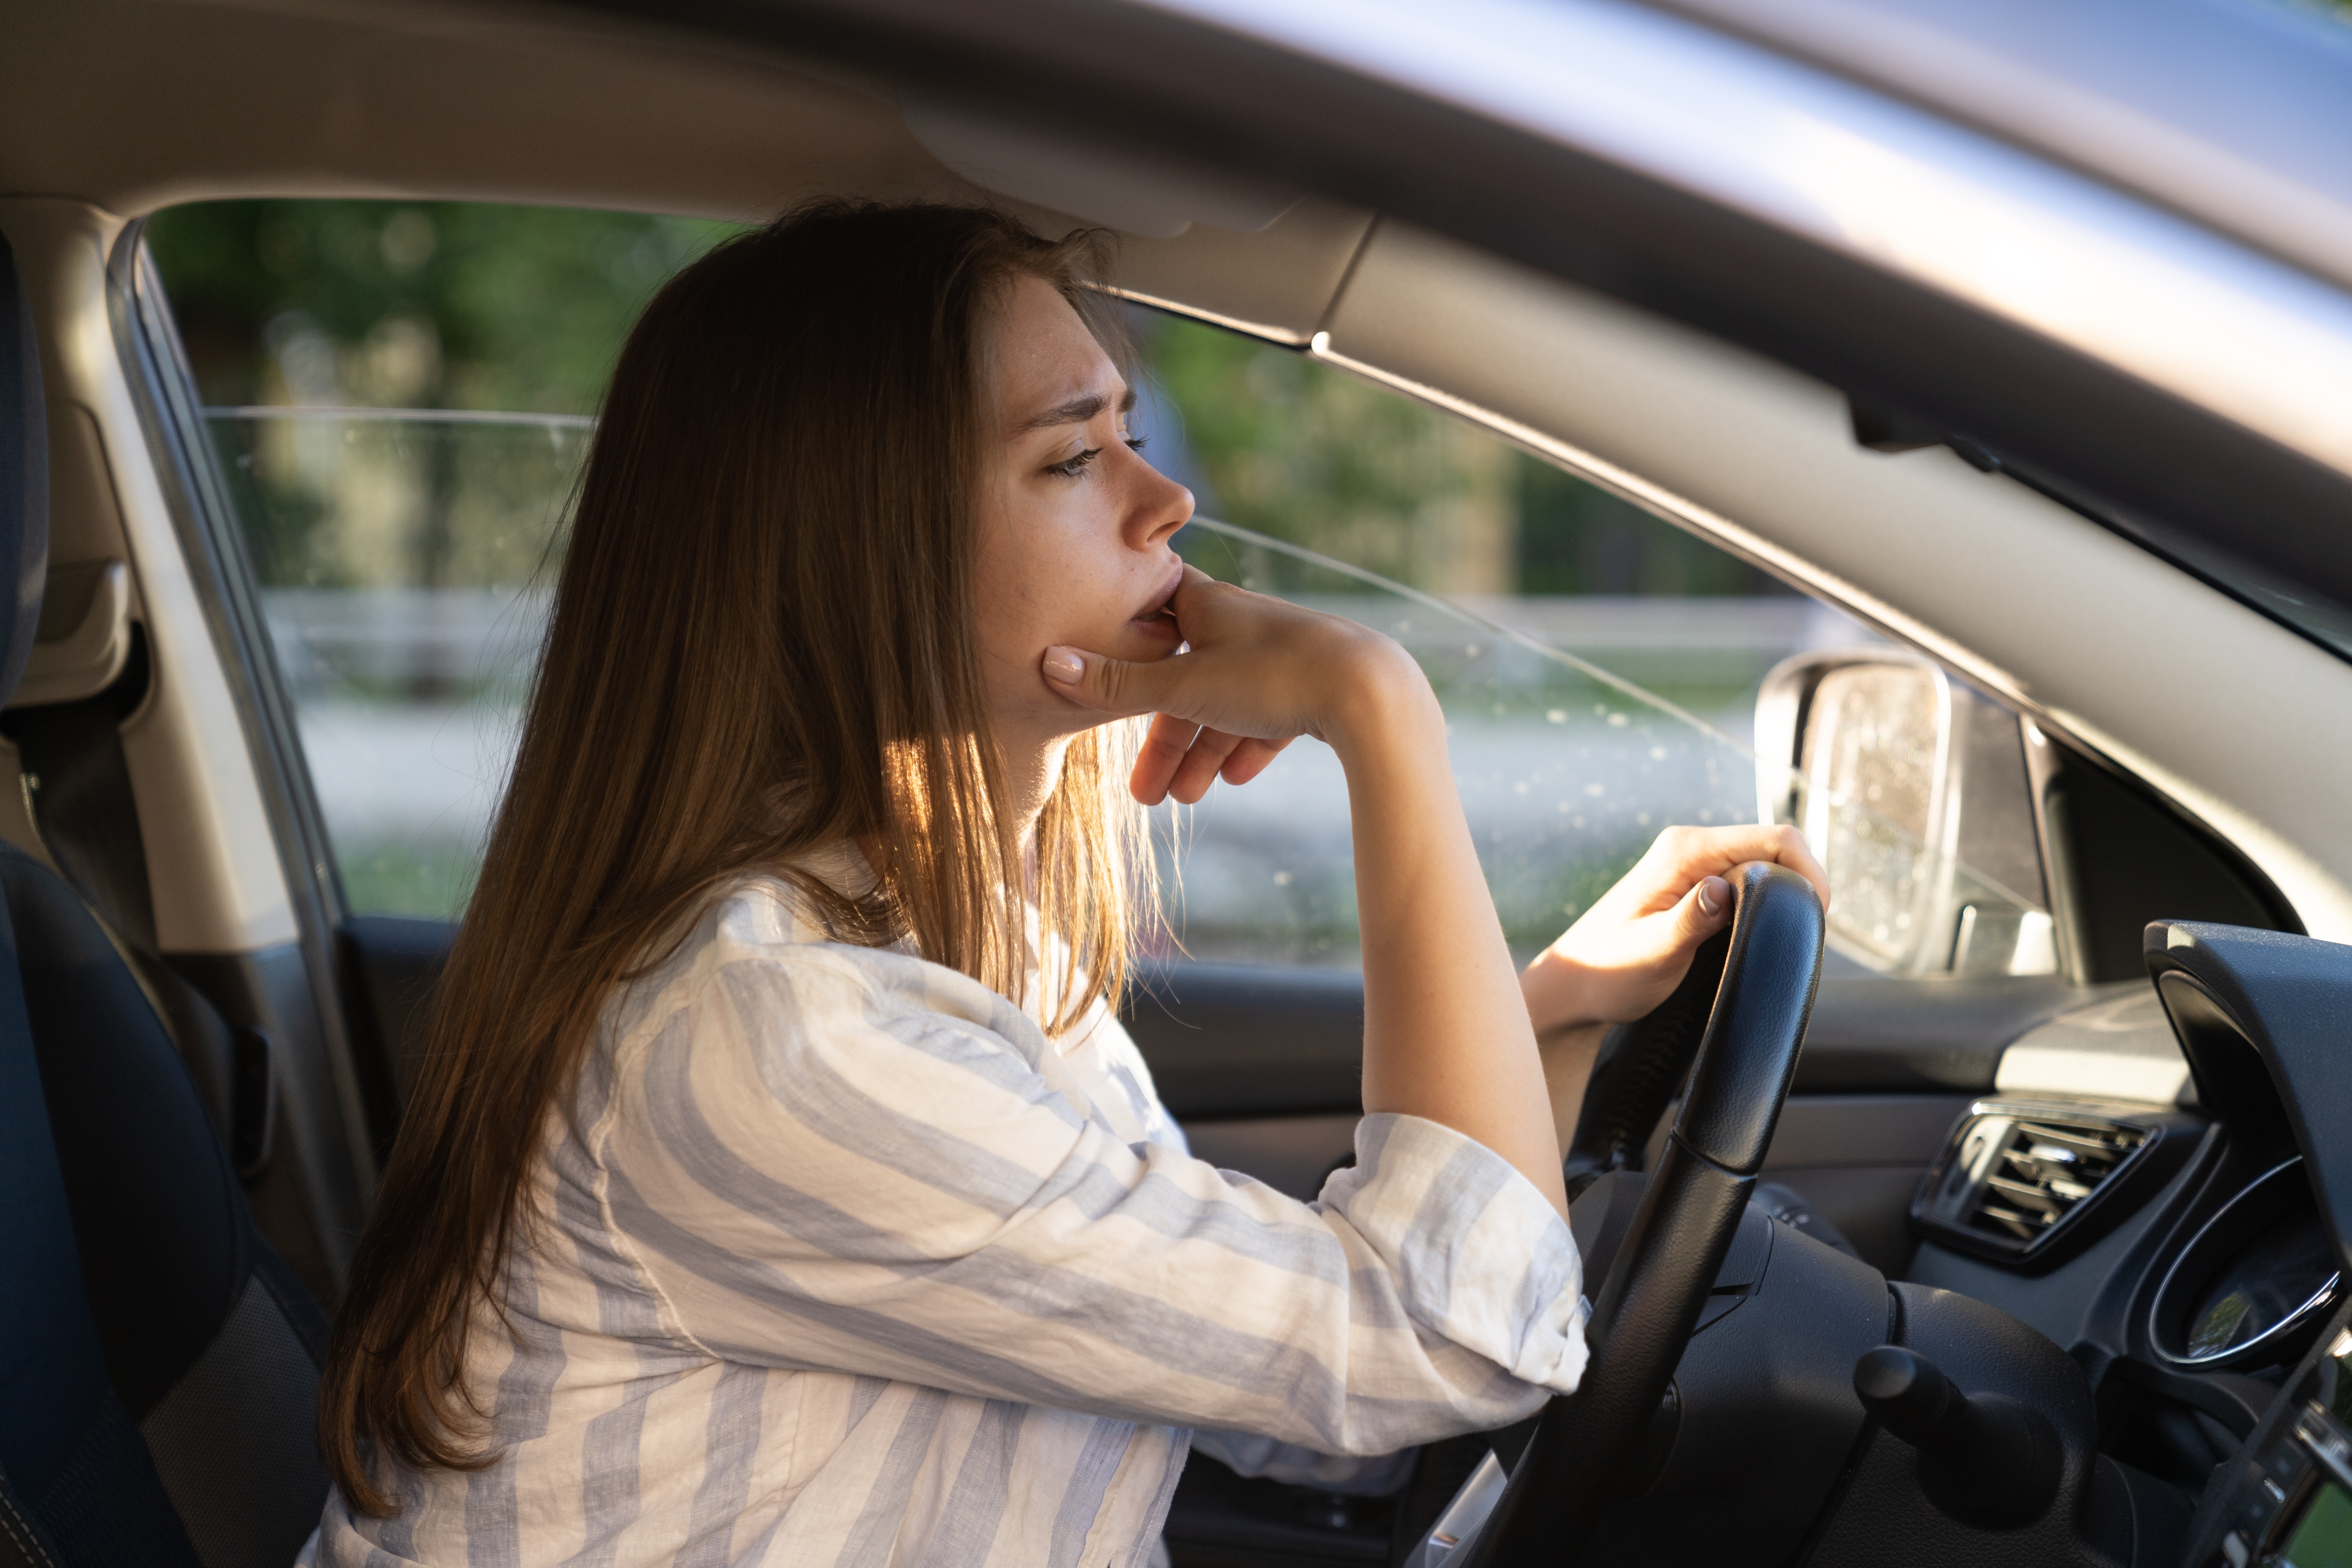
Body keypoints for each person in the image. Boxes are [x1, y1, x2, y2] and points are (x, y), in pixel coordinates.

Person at [309, 201, 1827, 1567]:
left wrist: (1543, 1013)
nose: (1164, 505)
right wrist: (1380, 712)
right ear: (864, 557)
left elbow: (1287, 1403)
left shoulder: (945, 945)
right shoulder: (787, 1036)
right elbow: (1434, 1342)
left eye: (1135, 434)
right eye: (1073, 455)